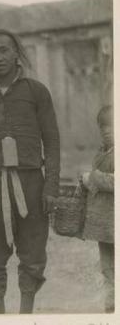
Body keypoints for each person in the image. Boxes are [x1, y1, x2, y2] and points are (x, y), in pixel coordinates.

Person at [0, 29, 60, 314]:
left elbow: (52, 142)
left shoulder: (36, 92)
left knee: (32, 250)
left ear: (17, 53)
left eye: (4, 50)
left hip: (31, 181)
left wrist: (51, 187)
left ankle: (25, 313)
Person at [81, 105, 114, 313]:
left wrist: (92, 178)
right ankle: (111, 302)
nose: (107, 130)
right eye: (103, 126)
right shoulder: (102, 152)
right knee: (108, 265)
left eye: (112, 125)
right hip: (105, 222)